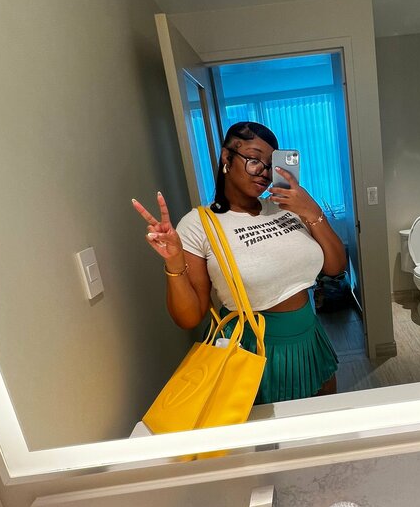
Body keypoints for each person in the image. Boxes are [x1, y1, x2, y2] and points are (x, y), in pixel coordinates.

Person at [132, 121, 347, 404]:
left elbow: (335, 267)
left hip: (309, 336)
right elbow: (189, 317)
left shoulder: (288, 208)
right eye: (254, 160)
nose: (264, 172)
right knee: (269, 431)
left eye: (270, 165)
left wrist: (311, 210)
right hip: (254, 350)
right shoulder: (199, 224)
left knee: (322, 418)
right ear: (227, 157)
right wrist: (174, 261)